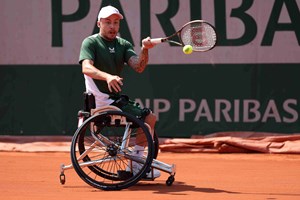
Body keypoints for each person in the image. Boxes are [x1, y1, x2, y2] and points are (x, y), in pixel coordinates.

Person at [78, 5, 160, 178]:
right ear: (98, 23)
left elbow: (138, 66)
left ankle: (136, 163)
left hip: (115, 101)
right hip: (101, 102)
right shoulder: (90, 42)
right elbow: (86, 67)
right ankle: (137, 165)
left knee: (149, 118)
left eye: (116, 23)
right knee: (148, 119)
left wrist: (144, 49)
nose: (112, 26)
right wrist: (107, 77)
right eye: (108, 22)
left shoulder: (123, 44)